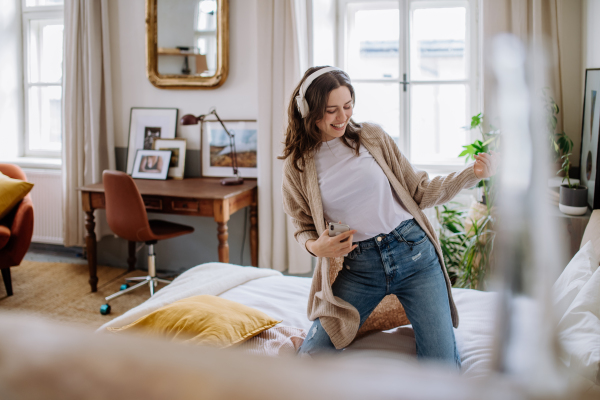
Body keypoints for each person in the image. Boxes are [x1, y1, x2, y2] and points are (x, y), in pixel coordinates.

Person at [280, 66, 498, 367]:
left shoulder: (372, 137)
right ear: (309, 111)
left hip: (415, 257)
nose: (342, 117)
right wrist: (315, 247)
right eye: (331, 110)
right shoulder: (298, 165)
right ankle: (297, 341)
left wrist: (470, 175)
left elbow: (420, 191)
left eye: (347, 106)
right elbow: (301, 223)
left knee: (441, 370)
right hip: (360, 268)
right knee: (310, 358)